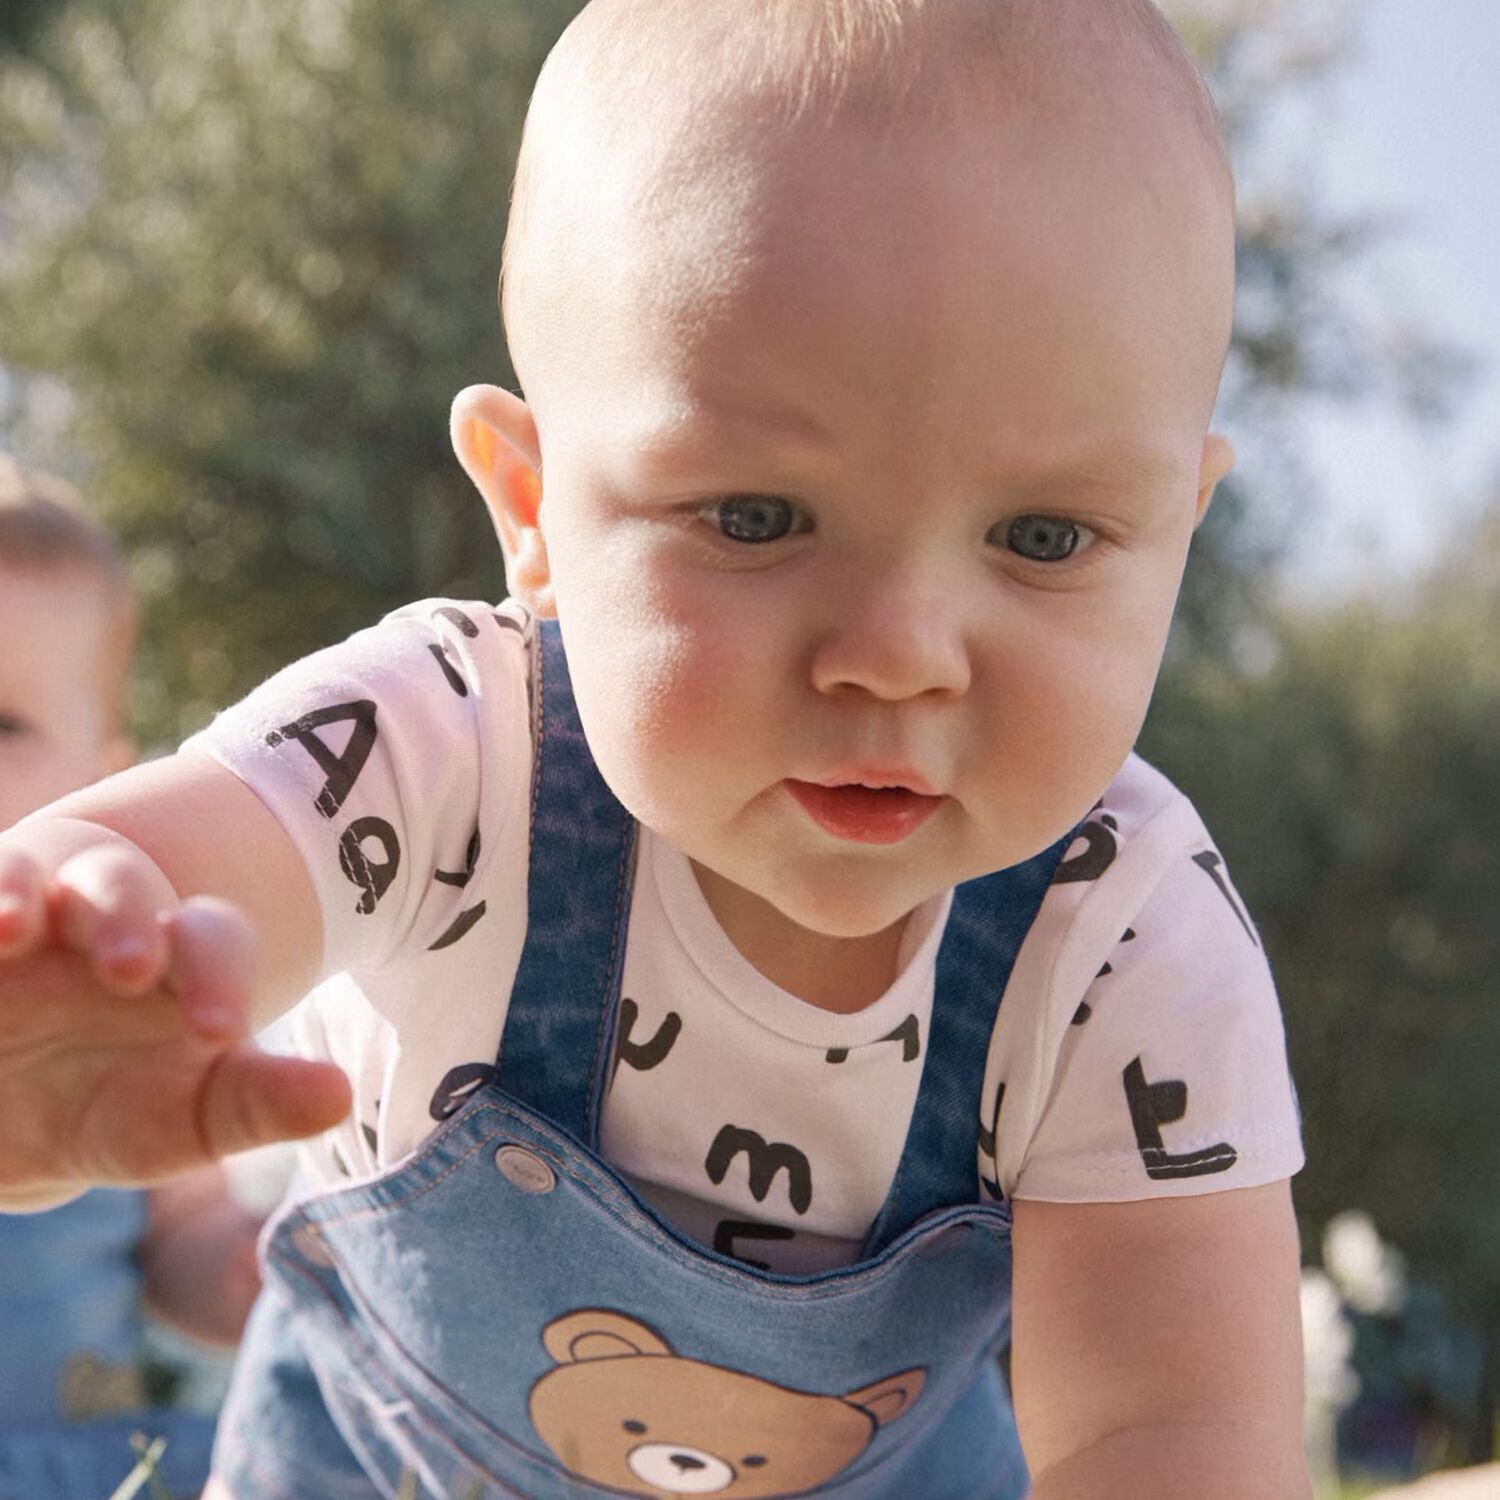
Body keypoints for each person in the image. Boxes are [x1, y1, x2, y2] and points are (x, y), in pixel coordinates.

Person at [0, 2, 1313, 1495]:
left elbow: (1172, 1433)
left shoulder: (1128, 943)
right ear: (535, 509)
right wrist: (60, 966)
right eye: (756, 518)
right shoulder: (443, 748)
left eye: (1046, 537)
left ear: (1177, 531)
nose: (899, 653)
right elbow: (173, 857)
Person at [0, 458, 264, 1498]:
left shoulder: (123, 991)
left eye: (5, 725)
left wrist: (254, 1272)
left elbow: (183, 1238)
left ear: (105, 785)